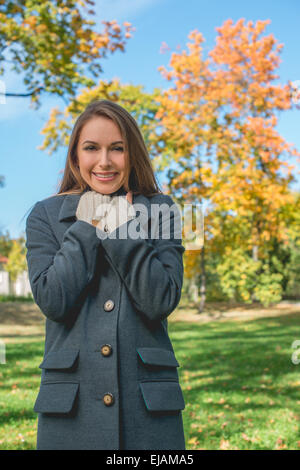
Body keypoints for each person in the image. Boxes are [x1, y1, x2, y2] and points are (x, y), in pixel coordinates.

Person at [25, 99, 186, 450]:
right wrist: (86, 224)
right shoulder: (44, 215)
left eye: (117, 148)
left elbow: (160, 300)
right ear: (75, 157)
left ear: (133, 154)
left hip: (148, 412)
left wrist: (119, 226)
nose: (104, 161)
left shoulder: (162, 210)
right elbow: (53, 300)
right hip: (70, 412)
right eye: (91, 148)